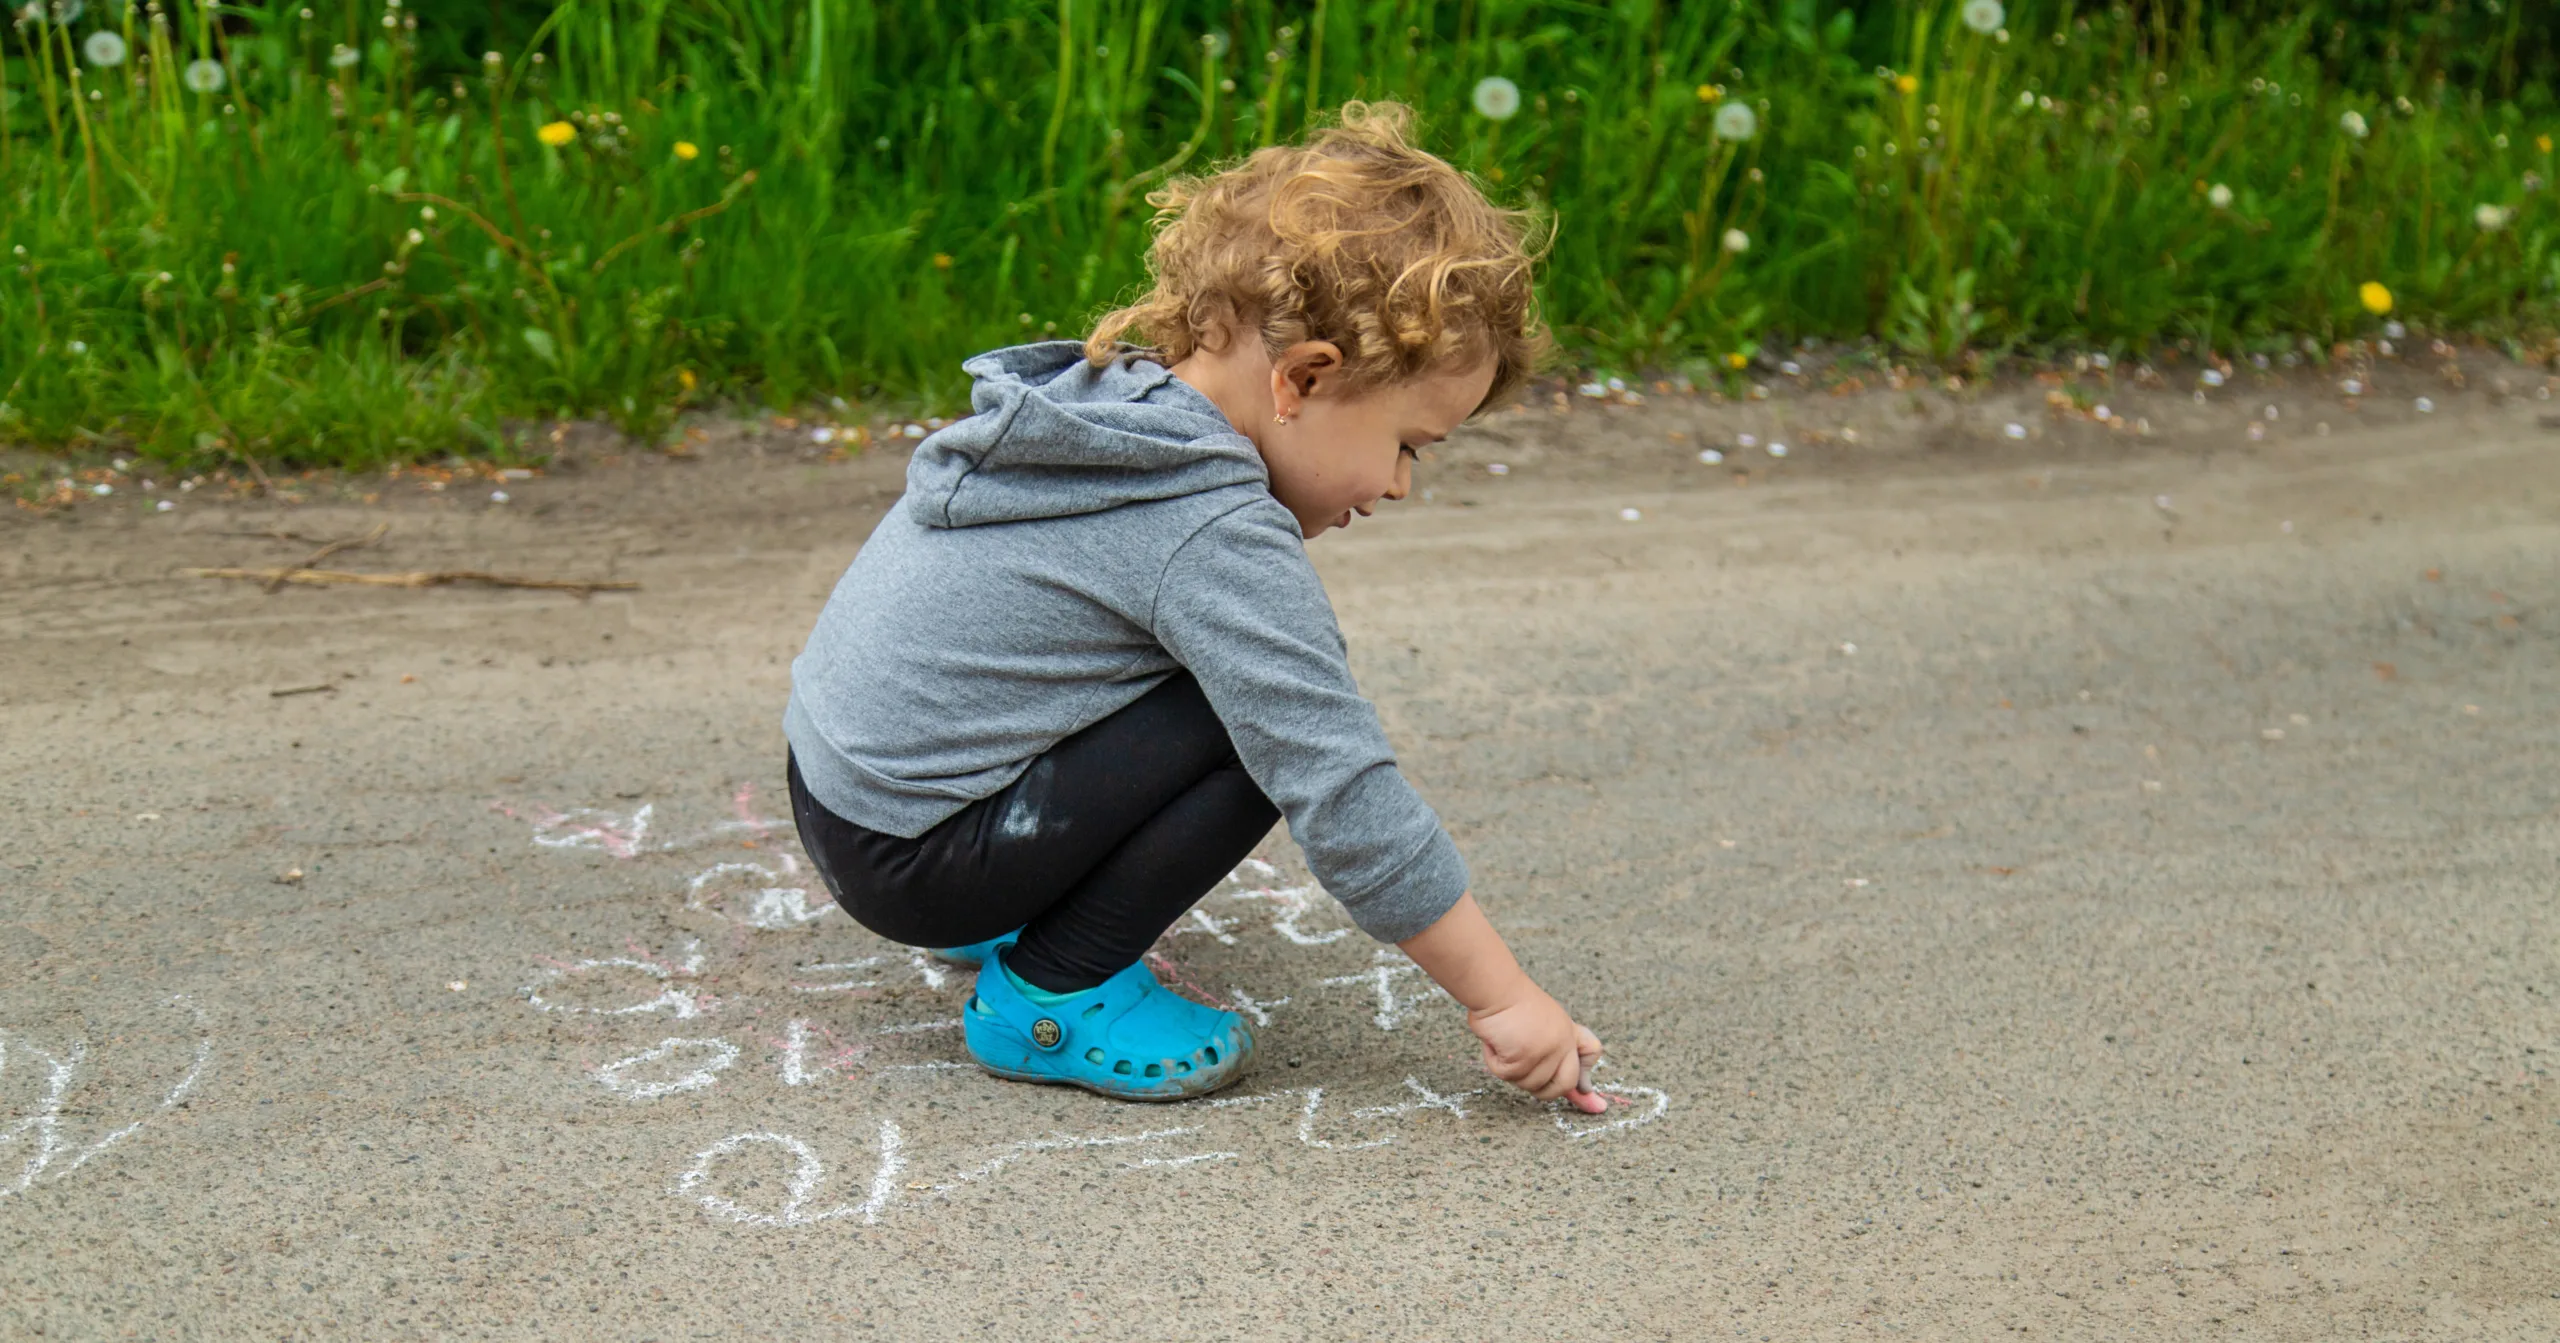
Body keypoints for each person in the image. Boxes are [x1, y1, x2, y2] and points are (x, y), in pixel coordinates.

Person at [784, 101, 1606, 1112]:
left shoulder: (1109, 412)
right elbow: (1338, 778)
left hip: (844, 799)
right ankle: (1053, 993)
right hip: (920, 856)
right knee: (1267, 719)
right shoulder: (1207, 524)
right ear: (1305, 377)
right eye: (1408, 444)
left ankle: (1009, 904)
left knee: (1228, 674)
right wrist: (1501, 996)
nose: (1399, 485)